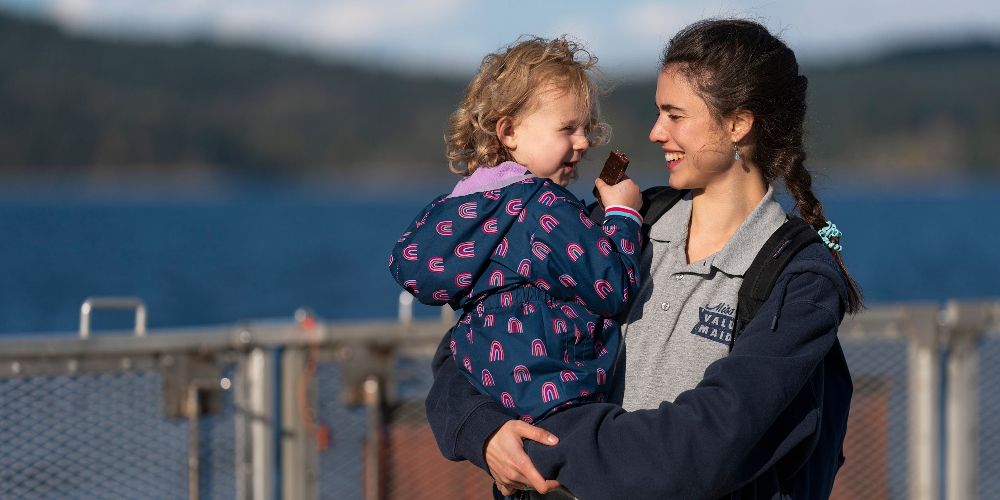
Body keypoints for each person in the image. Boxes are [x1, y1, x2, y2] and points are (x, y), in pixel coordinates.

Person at [425, 18, 863, 499]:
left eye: (675, 116)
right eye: (659, 113)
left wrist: (539, 445)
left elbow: (695, 452)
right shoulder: (622, 227)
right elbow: (467, 345)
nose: (655, 132)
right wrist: (483, 430)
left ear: (738, 124)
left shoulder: (800, 280)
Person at [389, 36, 645, 425]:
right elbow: (613, 288)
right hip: (560, 397)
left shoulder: (462, 206)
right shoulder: (540, 206)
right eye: (568, 128)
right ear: (508, 131)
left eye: (587, 128)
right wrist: (623, 214)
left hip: (495, 396)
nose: (583, 142)